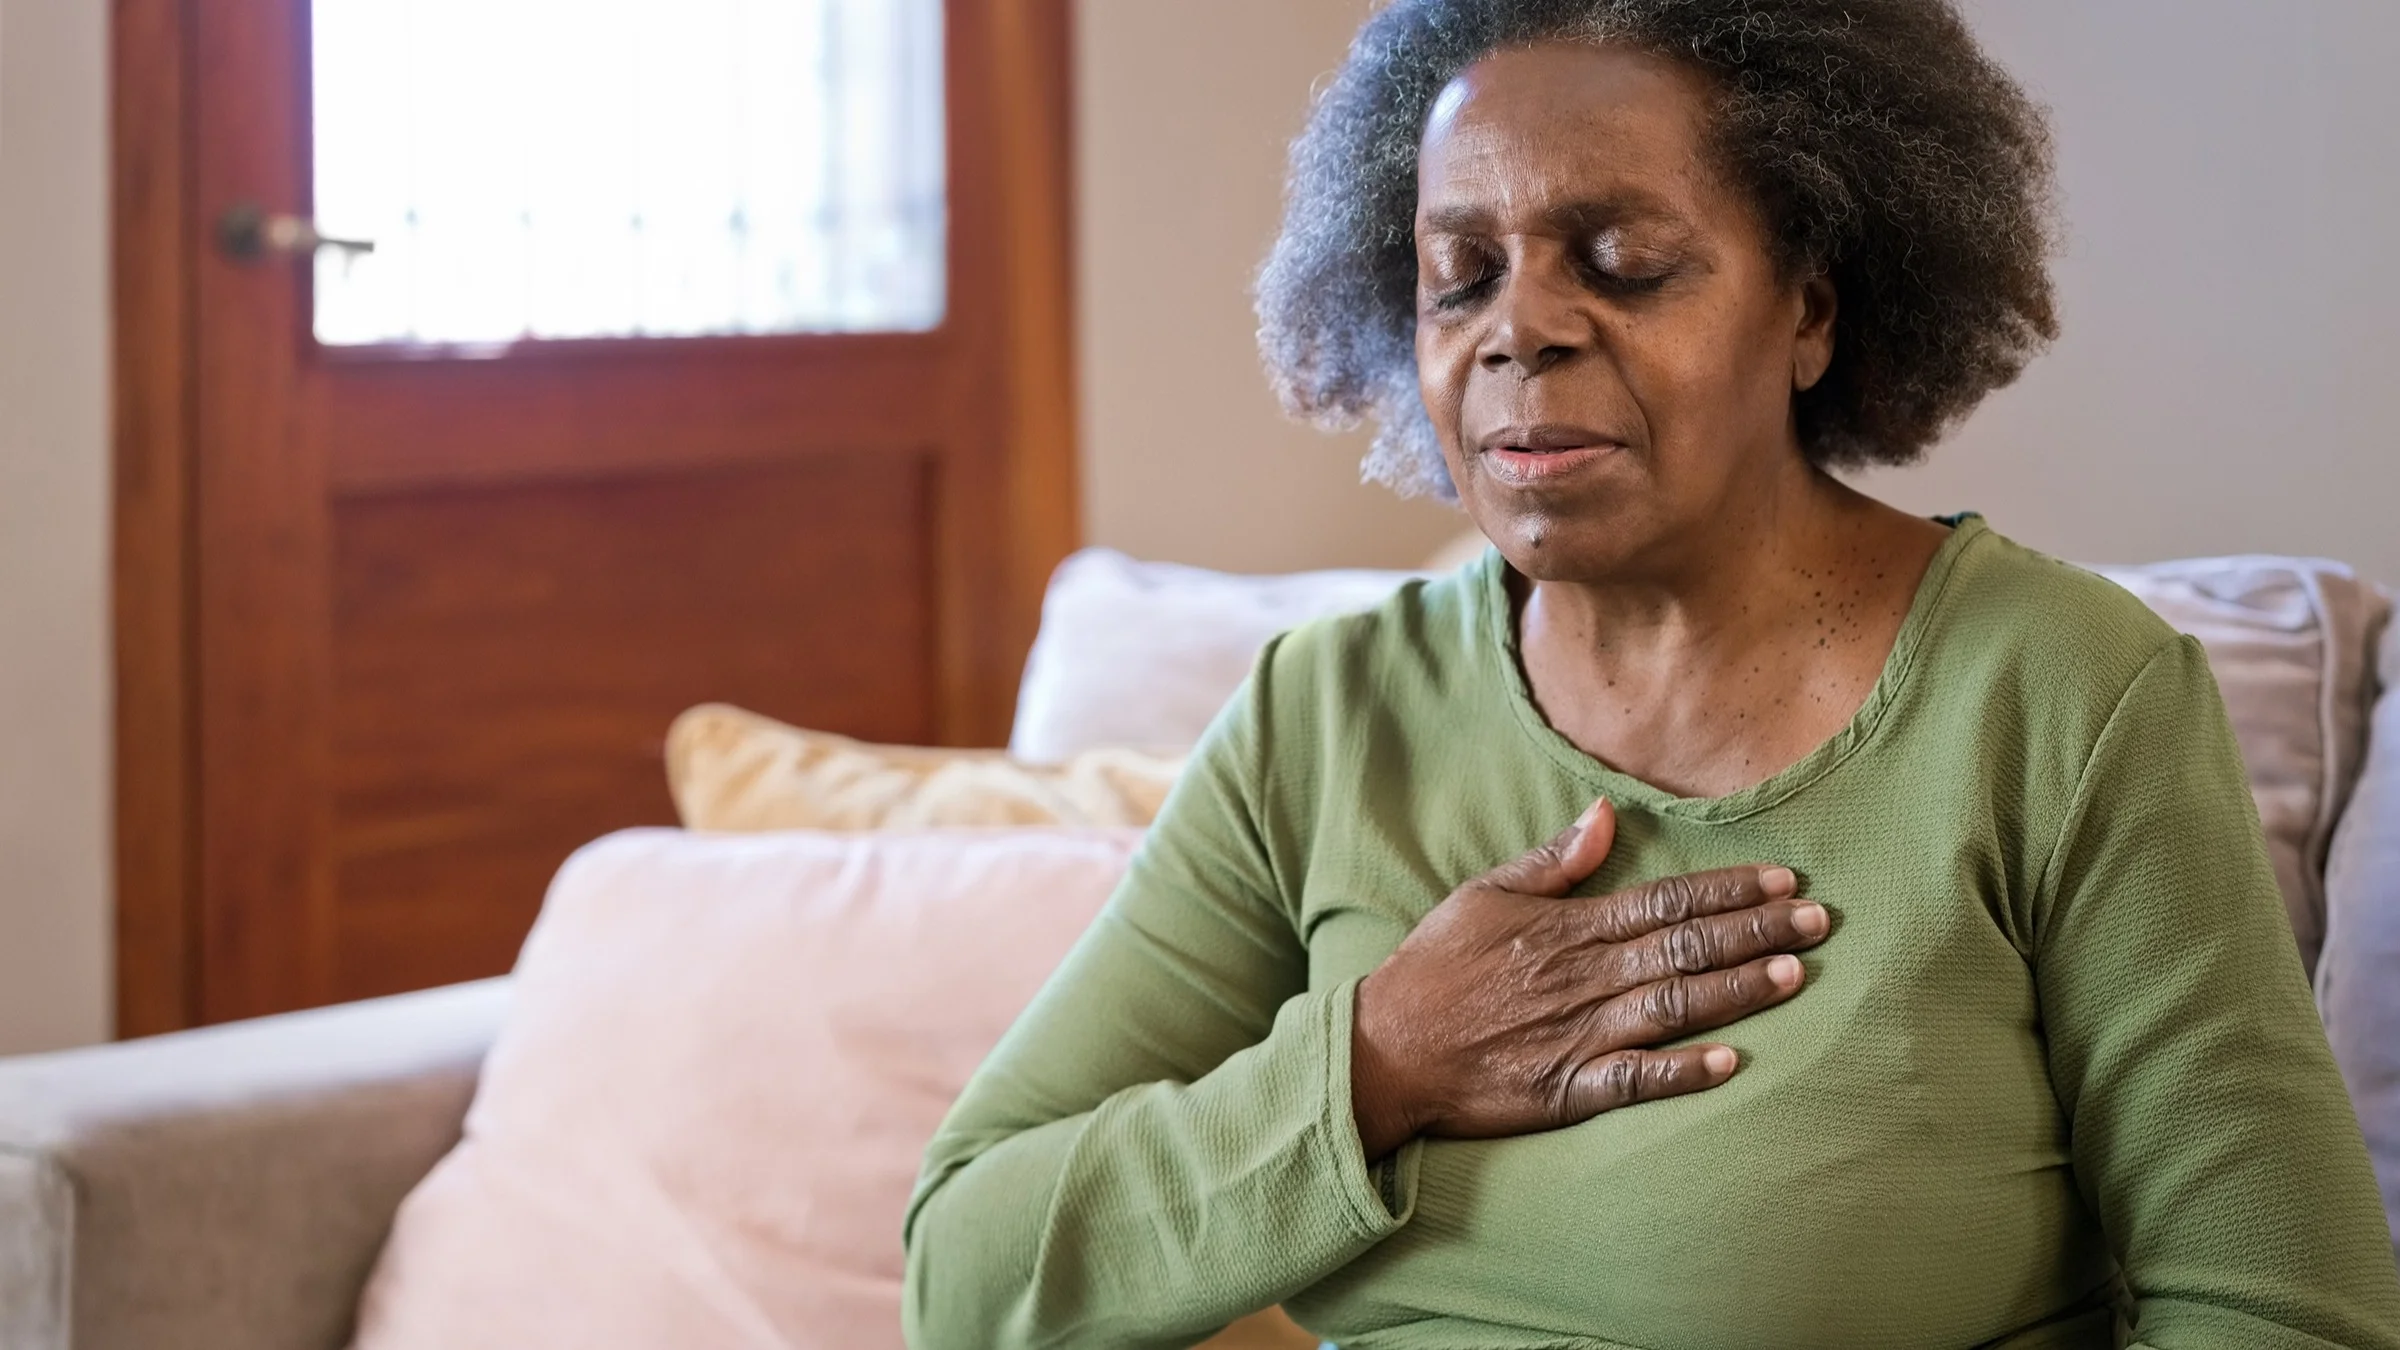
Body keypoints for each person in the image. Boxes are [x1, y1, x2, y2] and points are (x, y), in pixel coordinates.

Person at [903, 2, 2400, 1345]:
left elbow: (2276, 1308)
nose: (1521, 330)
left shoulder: (2064, 695)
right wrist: (1373, 1063)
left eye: (1622, 262)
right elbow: (966, 1272)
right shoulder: (1326, 717)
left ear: (1810, 305)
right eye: (1458, 274)